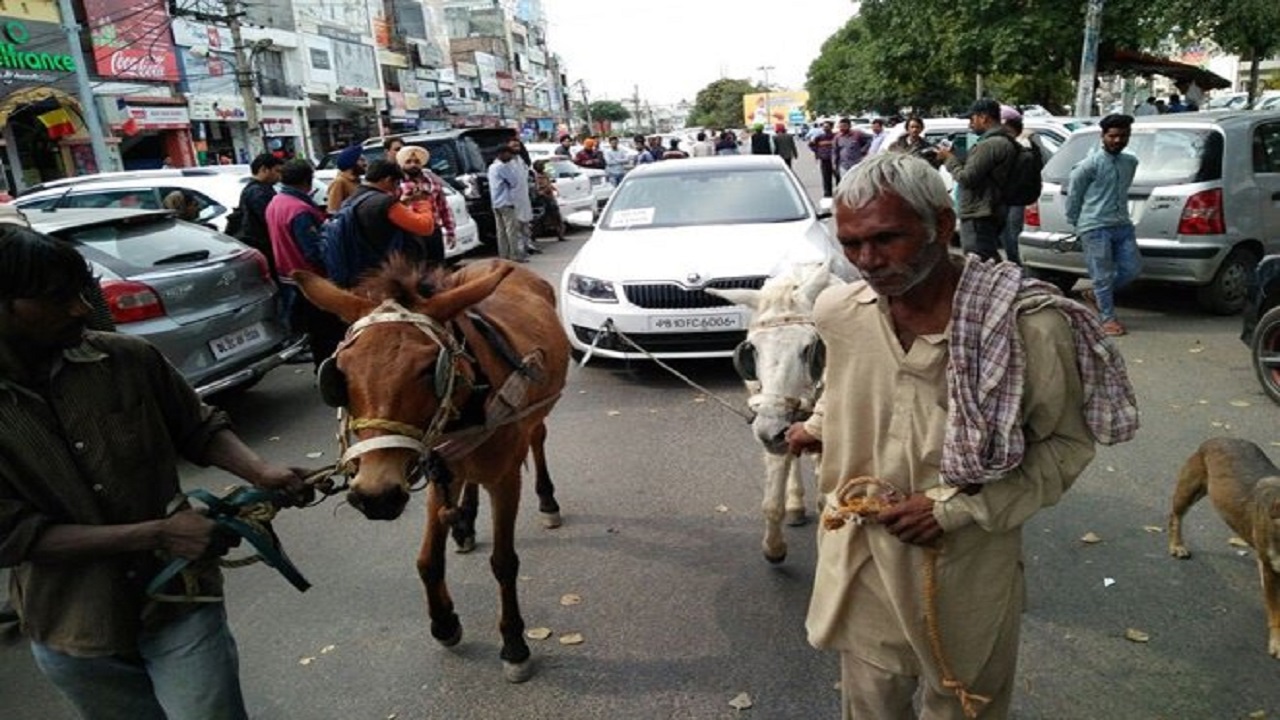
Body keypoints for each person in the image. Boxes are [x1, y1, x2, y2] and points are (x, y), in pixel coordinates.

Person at [787, 151, 1135, 719]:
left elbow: (1067, 446)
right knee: (870, 705)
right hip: (858, 556)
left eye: (887, 239)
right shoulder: (840, 311)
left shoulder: (1027, 328)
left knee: (962, 704)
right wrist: (821, 426)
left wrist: (951, 510)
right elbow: (845, 384)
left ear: (942, 225)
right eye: (851, 245)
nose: (868, 261)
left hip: (963, 566)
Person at [0, 222, 309, 720]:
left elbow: (198, 427)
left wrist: (261, 471)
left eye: (82, 293)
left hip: (180, 603)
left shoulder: (126, 358)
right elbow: (11, 537)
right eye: (57, 298)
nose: (79, 308)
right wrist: (158, 533)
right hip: (74, 625)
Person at [1065, 113, 1141, 337]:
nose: (1118, 140)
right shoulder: (1088, 166)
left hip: (1122, 224)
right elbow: (1074, 197)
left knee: (1132, 269)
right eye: (1113, 136)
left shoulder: (1130, 162)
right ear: (1103, 136)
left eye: (1123, 136)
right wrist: (1077, 225)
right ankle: (1107, 318)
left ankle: (1096, 295)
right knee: (1102, 275)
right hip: (1094, 226)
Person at [266, 159, 346, 365]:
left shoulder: (276, 202)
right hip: (312, 279)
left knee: (317, 332)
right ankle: (331, 374)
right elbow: (314, 251)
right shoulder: (299, 210)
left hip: (290, 275)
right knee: (327, 334)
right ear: (307, 180)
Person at [326, 160, 436, 287]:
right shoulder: (385, 202)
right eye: (396, 183)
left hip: (363, 270)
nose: (396, 188)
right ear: (387, 179)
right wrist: (422, 202)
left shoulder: (353, 199)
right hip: (391, 271)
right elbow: (425, 227)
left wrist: (403, 203)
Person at [936, 99, 1018, 263]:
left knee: (980, 263)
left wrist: (949, 159)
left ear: (984, 117)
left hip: (980, 212)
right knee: (987, 258)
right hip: (989, 209)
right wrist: (956, 155)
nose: (969, 125)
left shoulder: (990, 144)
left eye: (971, 119)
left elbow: (966, 178)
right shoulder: (1003, 141)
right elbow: (979, 170)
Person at [998, 107, 1043, 265]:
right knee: (1007, 236)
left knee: (1013, 235)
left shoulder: (1025, 144)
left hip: (1017, 199)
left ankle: (1018, 269)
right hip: (1006, 198)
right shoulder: (1009, 143)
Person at [395, 145, 455, 263]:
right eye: (408, 161)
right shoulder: (396, 184)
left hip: (433, 231)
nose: (413, 164)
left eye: (417, 161)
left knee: (437, 268)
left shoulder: (432, 182)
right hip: (411, 234)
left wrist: (450, 232)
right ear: (402, 164)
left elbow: (444, 208)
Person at [236, 153, 284, 277]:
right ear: (264, 169)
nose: (280, 176)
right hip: (262, 244)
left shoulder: (259, 188)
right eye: (277, 171)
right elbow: (269, 219)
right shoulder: (258, 192)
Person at [488, 144, 529, 263]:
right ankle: (515, 255)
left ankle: (504, 255)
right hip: (506, 201)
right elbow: (514, 181)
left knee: (501, 231)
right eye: (509, 154)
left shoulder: (492, 167)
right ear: (502, 154)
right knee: (511, 230)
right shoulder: (502, 167)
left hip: (496, 202)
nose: (510, 156)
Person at [506, 139, 538, 257]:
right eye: (513, 145)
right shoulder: (506, 163)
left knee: (526, 224)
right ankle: (519, 250)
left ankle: (528, 245)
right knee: (517, 226)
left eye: (517, 145)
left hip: (524, 197)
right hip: (512, 198)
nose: (516, 147)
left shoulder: (521, 160)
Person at [531, 159, 566, 241]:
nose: (543, 167)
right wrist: (542, 192)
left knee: (556, 217)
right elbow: (537, 189)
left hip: (550, 197)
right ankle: (533, 236)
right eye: (541, 165)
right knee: (538, 219)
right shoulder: (535, 177)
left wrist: (553, 188)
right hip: (542, 199)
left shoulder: (545, 175)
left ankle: (560, 235)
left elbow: (549, 184)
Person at [326, 145, 366, 213]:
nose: (365, 163)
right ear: (351, 162)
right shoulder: (339, 182)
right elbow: (333, 210)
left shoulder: (357, 180)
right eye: (361, 160)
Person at [809, 120, 838, 197]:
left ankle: (840, 193)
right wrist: (818, 152)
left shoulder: (836, 136)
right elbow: (811, 145)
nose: (825, 128)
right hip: (825, 160)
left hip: (836, 160)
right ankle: (827, 194)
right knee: (826, 178)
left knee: (839, 177)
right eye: (824, 127)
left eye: (827, 127)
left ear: (832, 127)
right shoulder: (819, 137)